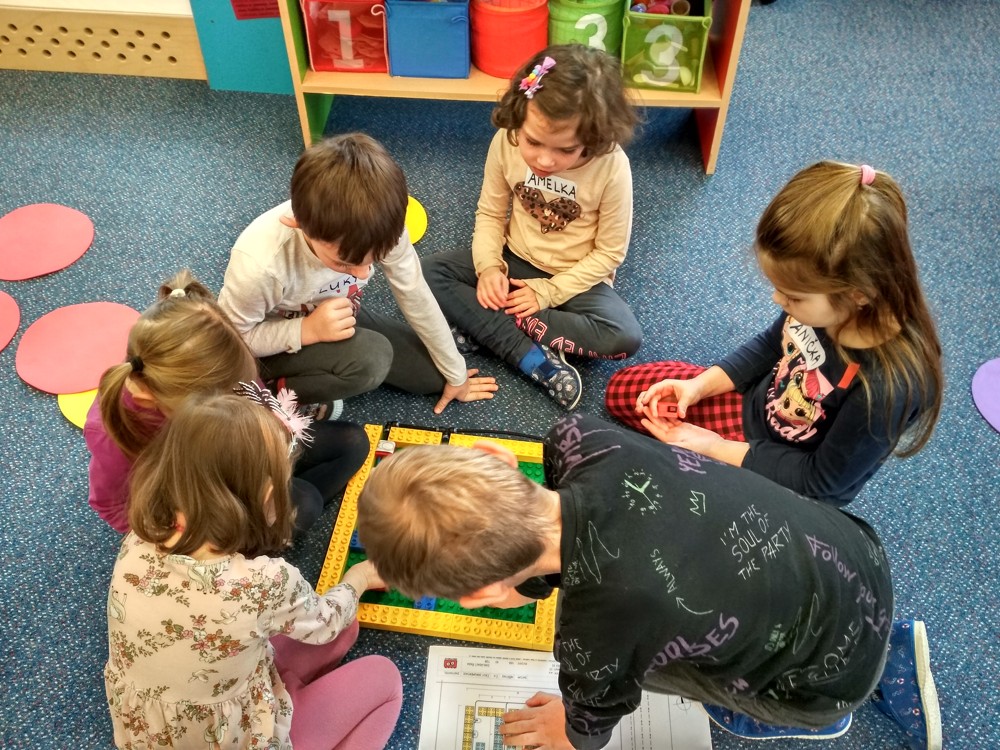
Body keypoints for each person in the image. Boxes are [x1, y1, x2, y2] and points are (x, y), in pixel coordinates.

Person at [356, 413, 941, 750]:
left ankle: (818, 712)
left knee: (648, 659)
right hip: (858, 551)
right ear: (497, 456)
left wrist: (570, 731)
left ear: (483, 595)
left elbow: (592, 725)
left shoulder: (591, 638)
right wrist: (531, 581)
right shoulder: (577, 437)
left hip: (821, 687)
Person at [605, 162, 943, 506]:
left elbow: (819, 480)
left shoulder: (887, 389)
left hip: (791, 476)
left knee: (676, 497)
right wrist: (699, 386)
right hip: (758, 410)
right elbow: (771, 345)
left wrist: (712, 447)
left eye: (793, 296)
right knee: (625, 393)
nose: (778, 301)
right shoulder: (825, 304)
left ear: (859, 293)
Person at [105, 392, 402, 750]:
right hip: (233, 737)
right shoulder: (266, 582)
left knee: (342, 627)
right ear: (267, 497)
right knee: (384, 677)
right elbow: (326, 622)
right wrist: (361, 577)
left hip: (154, 730)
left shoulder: (139, 538)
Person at [422, 44, 642, 410]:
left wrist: (548, 293)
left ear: (594, 137)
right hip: (515, 260)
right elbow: (490, 214)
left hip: (575, 280)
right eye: (533, 141)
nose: (544, 159)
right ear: (519, 117)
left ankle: (487, 329)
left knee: (623, 336)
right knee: (426, 273)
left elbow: (609, 253)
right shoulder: (505, 140)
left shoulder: (612, 166)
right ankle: (529, 353)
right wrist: (489, 267)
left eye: (565, 150)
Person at [217, 132, 498, 416]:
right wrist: (306, 330)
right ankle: (267, 393)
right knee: (373, 359)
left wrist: (456, 373)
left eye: (373, 261)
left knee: (434, 376)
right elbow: (230, 343)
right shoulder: (260, 267)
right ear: (299, 225)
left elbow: (415, 293)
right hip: (263, 347)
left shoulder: (383, 227)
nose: (363, 274)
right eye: (344, 264)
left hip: (331, 316)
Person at [85, 269, 370, 536]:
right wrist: (183, 538)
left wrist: (274, 434)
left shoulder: (212, 366)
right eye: (227, 398)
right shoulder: (112, 433)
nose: (237, 397)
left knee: (354, 442)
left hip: (238, 453)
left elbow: (255, 395)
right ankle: (261, 534)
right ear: (152, 398)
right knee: (306, 503)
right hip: (203, 496)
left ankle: (278, 511)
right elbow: (111, 506)